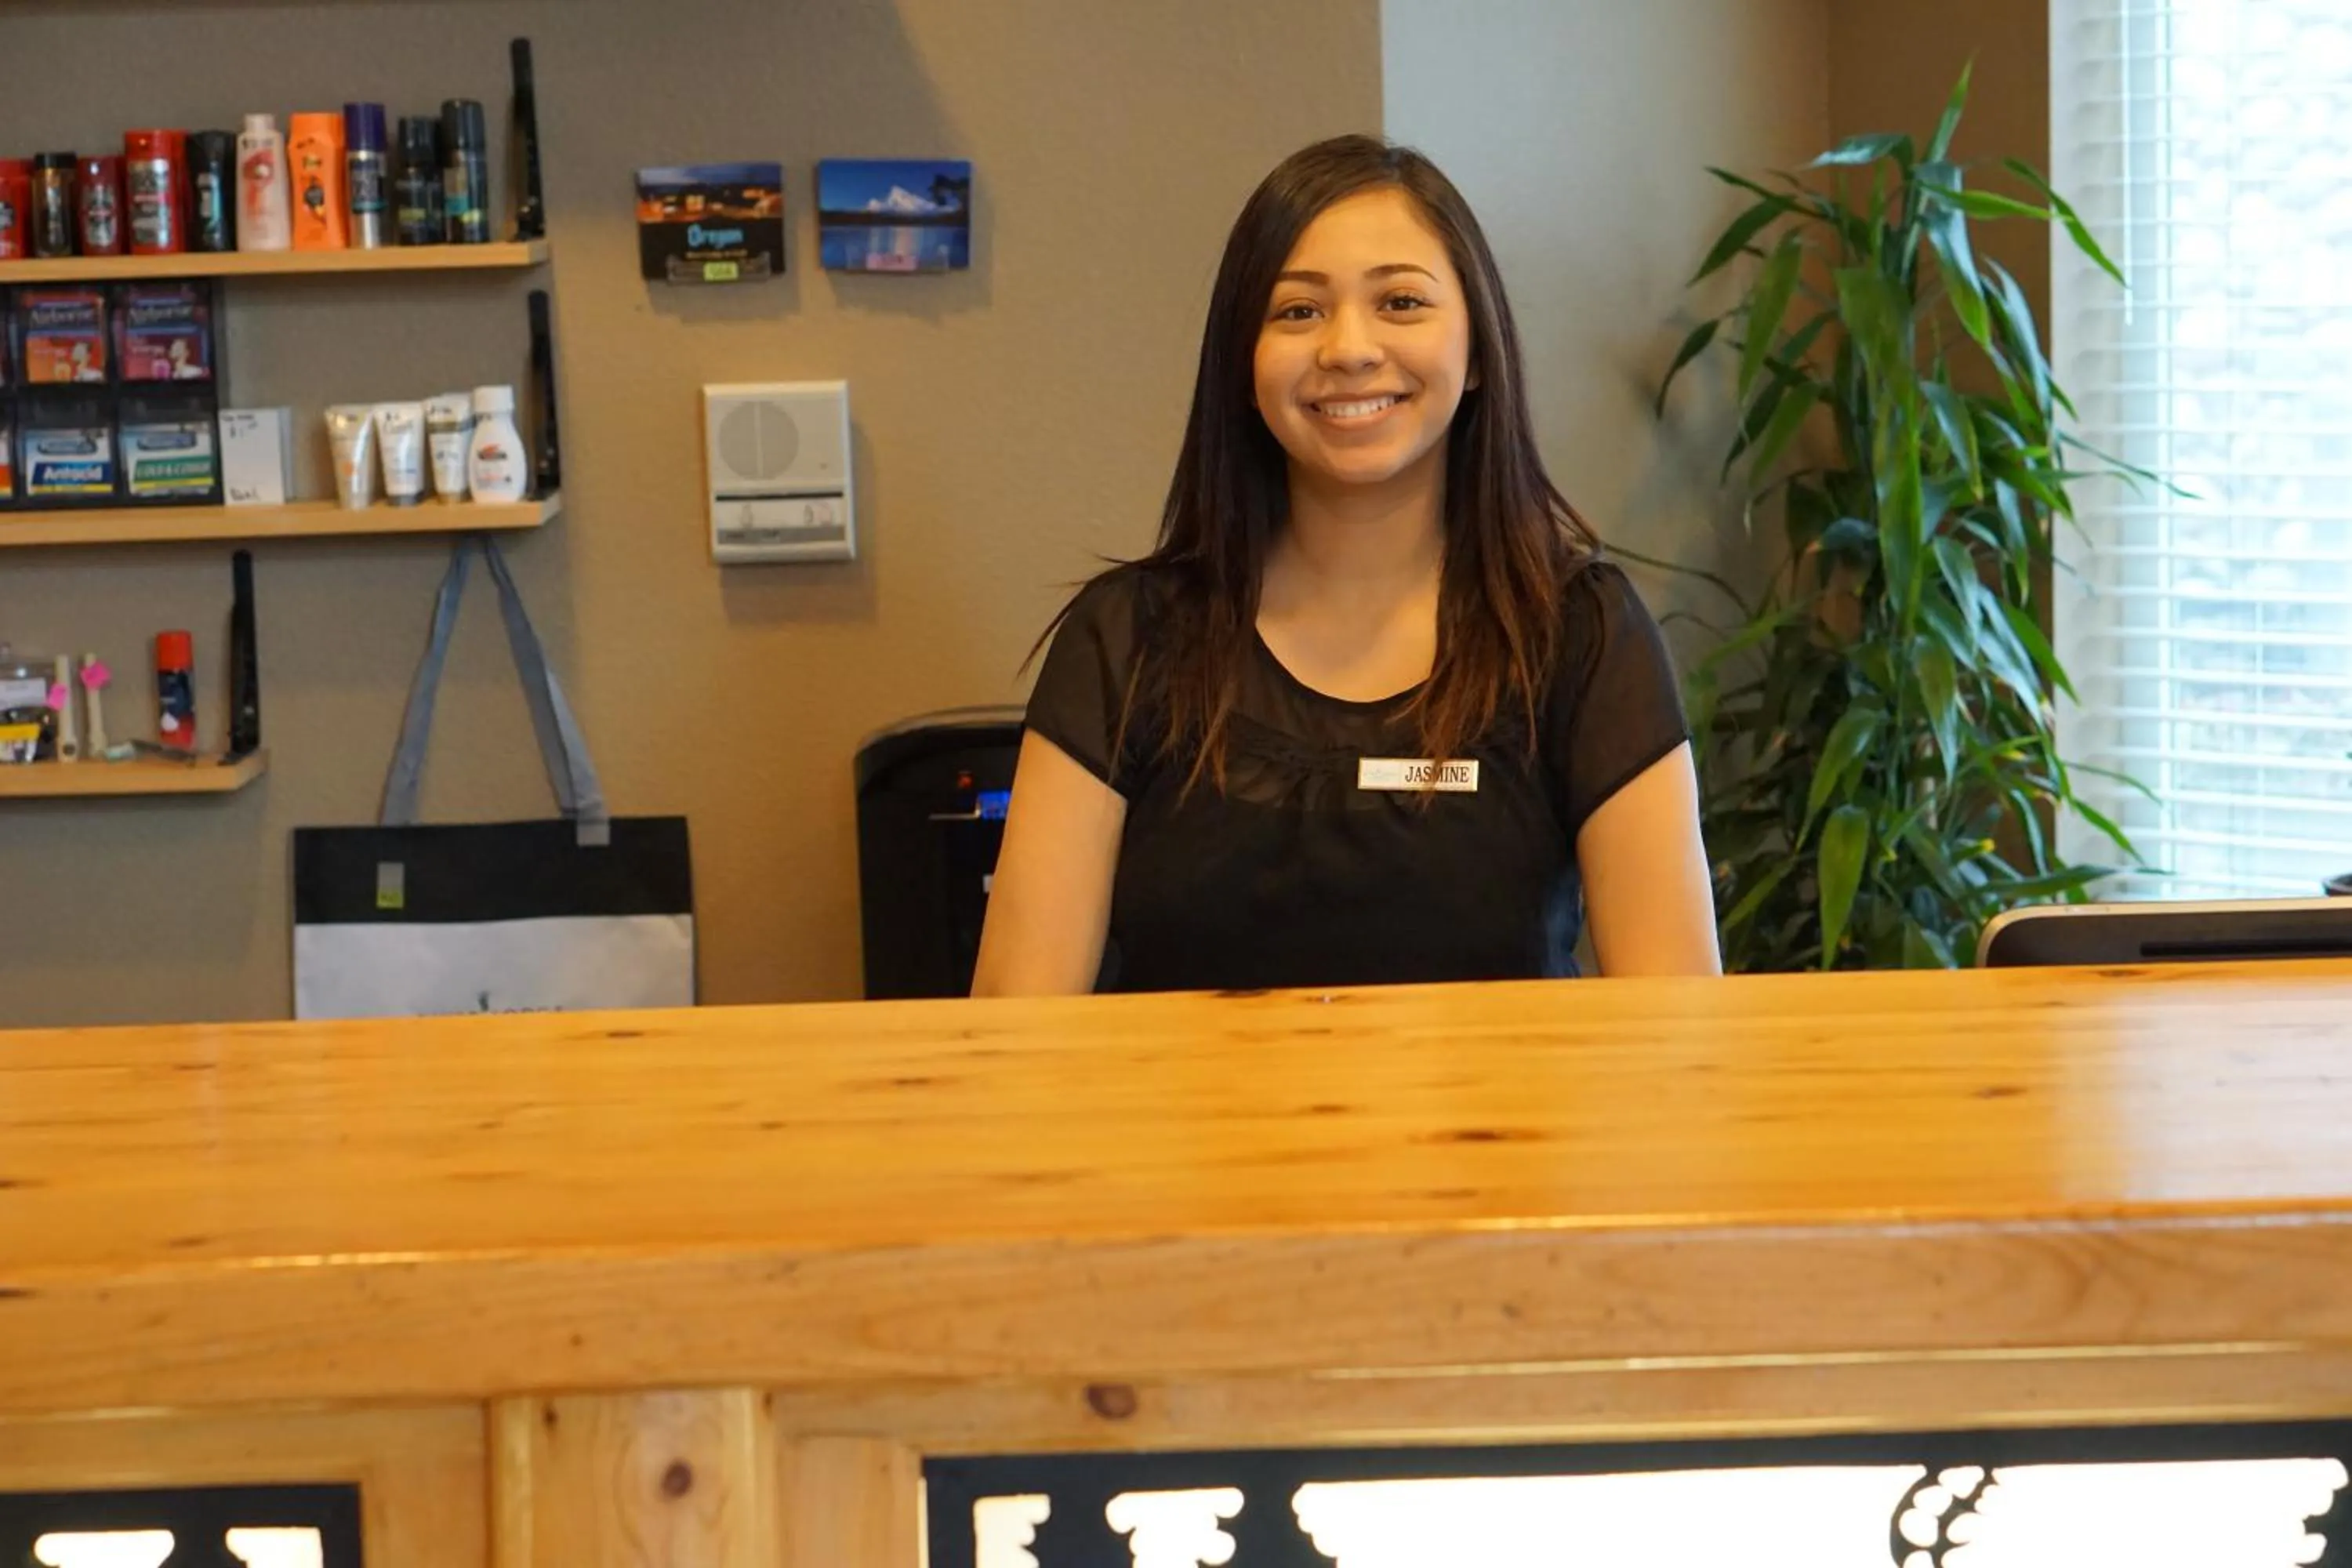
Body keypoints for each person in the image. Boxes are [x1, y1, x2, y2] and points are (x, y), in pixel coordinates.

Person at [973, 135, 1719, 996]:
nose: (1349, 349)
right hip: (1187, 1132)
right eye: (1298, 311)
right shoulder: (1126, 637)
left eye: (1401, 301)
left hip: (1505, 1133)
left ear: (1477, 353)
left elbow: (1676, 1024)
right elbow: (1016, 1027)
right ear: (1243, 364)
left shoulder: (1580, 632)